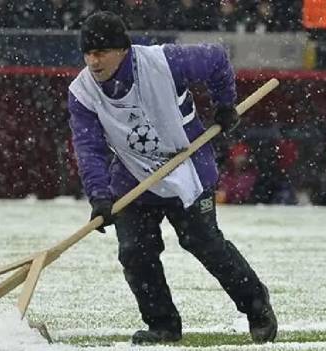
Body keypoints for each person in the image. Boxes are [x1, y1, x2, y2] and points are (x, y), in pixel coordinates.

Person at [67, 11, 277, 345]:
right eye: (88, 53)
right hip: (133, 178)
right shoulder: (82, 93)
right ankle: (163, 326)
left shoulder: (164, 61)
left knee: (204, 244)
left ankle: (256, 304)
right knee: (135, 252)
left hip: (187, 166)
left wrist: (226, 105)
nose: (93, 61)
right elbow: (88, 146)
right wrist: (99, 196)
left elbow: (217, 59)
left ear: (122, 49)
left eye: (101, 52)